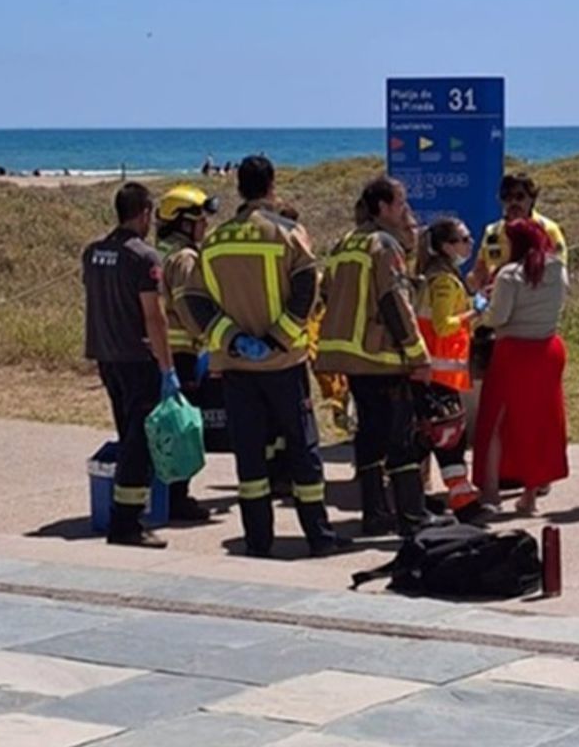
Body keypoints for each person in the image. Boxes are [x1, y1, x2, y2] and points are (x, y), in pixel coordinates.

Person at [181, 155, 346, 558]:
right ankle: (319, 538)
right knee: (302, 451)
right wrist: (279, 339)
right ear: (272, 185)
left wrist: (233, 340)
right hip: (283, 364)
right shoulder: (288, 233)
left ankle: (257, 542)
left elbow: (195, 300)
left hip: (234, 367)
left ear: (239, 188)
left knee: (250, 457)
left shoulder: (216, 241)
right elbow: (308, 287)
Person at [316, 176, 448, 538]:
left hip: (351, 358)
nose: (405, 209)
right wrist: (418, 354)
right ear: (383, 207)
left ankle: (374, 513)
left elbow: (327, 290)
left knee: (369, 435)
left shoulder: (346, 242)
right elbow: (394, 301)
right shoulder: (384, 245)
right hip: (382, 356)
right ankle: (412, 516)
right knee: (401, 438)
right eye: (401, 203)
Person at [81, 183, 178, 549]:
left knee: (128, 434)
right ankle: (126, 522)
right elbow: (154, 317)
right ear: (145, 213)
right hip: (138, 359)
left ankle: (127, 514)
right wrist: (167, 367)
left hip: (106, 356)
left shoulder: (92, 253)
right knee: (139, 444)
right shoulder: (143, 257)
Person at [475, 218, 571, 515]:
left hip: (513, 351)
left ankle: (490, 493)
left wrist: (481, 306)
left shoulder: (508, 274)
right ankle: (530, 493)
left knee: (496, 420)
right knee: (539, 421)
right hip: (547, 349)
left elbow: (498, 317)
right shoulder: (558, 270)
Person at [153, 185, 220, 524]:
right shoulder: (185, 258)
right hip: (182, 353)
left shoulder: (160, 252)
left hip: (160, 351)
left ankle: (164, 493)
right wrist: (214, 337)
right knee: (182, 427)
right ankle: (178, 498)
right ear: (183, 223)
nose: (204, 227)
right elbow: (188, 305)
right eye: (199, 221)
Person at [415, 217, 484, 520]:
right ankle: (464, 502)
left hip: (432, 370)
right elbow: (444, 326)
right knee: (449, 441)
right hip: (438, 372)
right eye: (464, 239)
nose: (470, 244)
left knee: (430, 440)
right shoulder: (442, 280)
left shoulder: (439, 275)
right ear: (446, 246)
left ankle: (417, 501)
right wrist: (474, 312)